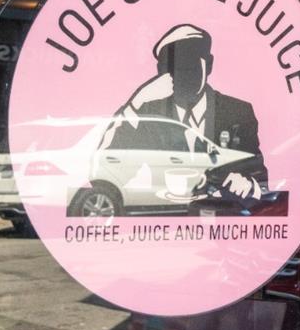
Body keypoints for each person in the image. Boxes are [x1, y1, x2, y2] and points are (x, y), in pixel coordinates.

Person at [105, 23, 267, 200]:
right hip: (165, 215)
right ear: (160, 72)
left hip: (219, 216)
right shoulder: (148, 113)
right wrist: (137, 101)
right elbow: (107, 174)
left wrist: (249, 185)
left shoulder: (236, 112)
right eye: (171, 66)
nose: (180, 73)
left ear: (209, 65)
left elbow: (261, 182)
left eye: (189, 63)